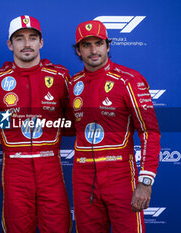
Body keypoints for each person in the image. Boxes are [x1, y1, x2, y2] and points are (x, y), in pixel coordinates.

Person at [69, 20, 161, 233]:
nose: (93, 50)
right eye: (86, 45)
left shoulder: (129, 80)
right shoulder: (73, 83)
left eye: (98, 43)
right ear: (79, 51)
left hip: (119, 173)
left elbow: (149, 132)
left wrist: (145, 180)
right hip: (83, 175)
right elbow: (67, 125)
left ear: (108, 46)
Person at [0, 15, 72, 233]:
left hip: (50, 165)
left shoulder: (59, 76)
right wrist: (11, 127)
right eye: (20, 38)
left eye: (32, 38)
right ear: (10, 44)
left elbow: (72, 120)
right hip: (15, 167)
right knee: (17, 228)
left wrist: (51, 123)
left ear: (41, 42)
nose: (27, 44)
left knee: (58, 227)